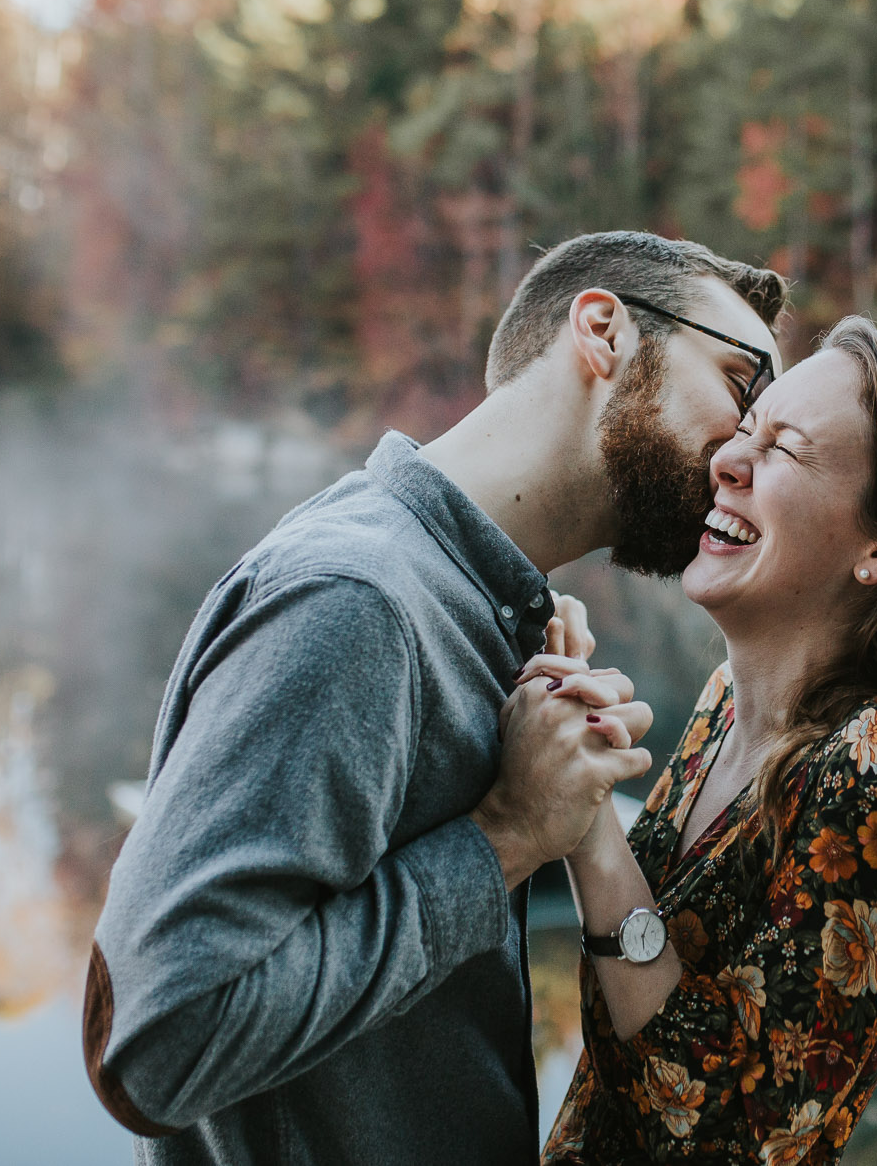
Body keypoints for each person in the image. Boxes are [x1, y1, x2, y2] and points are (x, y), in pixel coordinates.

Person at [83, 231, 785, 1165]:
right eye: (743, 386)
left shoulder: (463, 601)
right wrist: (507, 835)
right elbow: (157, 1045)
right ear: (604, 331)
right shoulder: (357, 598)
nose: (749, 452)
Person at [538, 317, 877, 1164]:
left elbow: (723, 1142)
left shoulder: (873, 771)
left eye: (783, 448)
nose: (727, 461)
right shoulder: (725, 702)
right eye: (746, 427)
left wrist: (590, 827)